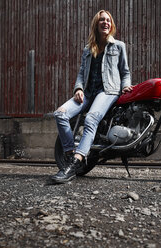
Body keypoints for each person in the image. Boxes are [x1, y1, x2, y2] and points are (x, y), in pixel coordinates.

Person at [51, 10, 132, 183]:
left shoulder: (118, 46)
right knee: (60, 114)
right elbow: (81, 73)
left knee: (91, 120)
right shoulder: (88, 49)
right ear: (96, 24)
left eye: (108, 20)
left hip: (108, 91)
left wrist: (126, 86)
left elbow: (125, 72)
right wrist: (78, 88)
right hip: (87, 92)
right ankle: (70, 154)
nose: (105, 22)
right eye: (102, 20)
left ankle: (73, 165)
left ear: (111, 25)